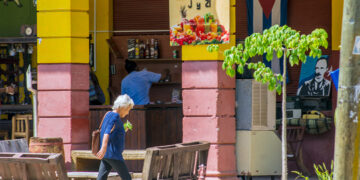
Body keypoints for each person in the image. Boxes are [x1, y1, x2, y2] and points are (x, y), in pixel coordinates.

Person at [96, 94, 134, 180]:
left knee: (101, 178)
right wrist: (103, 148)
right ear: (123, 107)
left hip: (107, 155)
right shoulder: (115, 116)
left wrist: (124, 129)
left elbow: (112, 132)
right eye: (128, 110)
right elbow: (107, 132)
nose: (128, 112)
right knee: (127, 178)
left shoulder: (109, 114)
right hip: (113, 154)